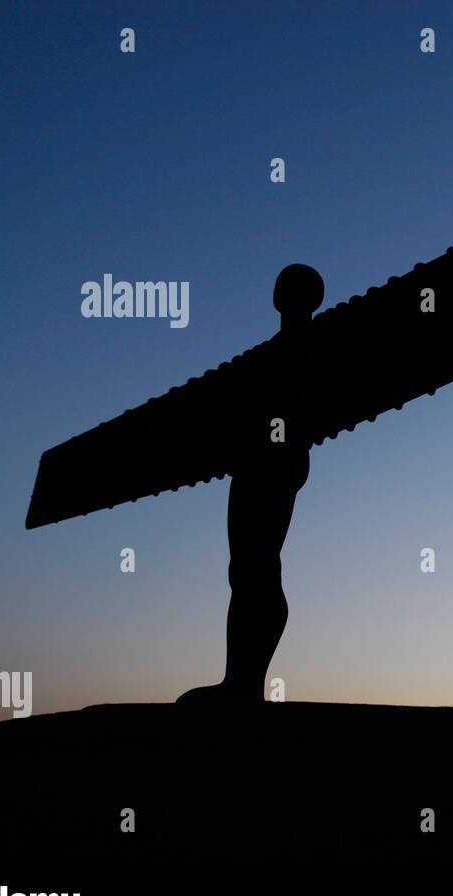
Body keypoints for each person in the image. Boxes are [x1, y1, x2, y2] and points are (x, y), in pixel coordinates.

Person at [177, 264, 322, 704]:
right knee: (247, 566)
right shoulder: (271, 354)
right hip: (259, 458)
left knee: (256, 564)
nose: (281, 293)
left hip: (275, 459)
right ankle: (240, 680)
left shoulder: (311, 346)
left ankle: (243, 684)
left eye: (288, 287)